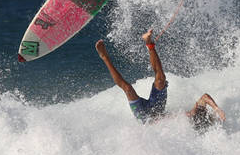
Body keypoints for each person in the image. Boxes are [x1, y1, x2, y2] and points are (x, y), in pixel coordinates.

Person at [96, 30, 226, 128]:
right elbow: (204, 97)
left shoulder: (187, 131)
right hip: (157, 109)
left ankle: (104, 57)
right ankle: (149, 44)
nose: (195, 111)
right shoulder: (194, 113)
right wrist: (217, 108)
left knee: (128, 88)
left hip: (145, 118)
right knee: (161, 79)